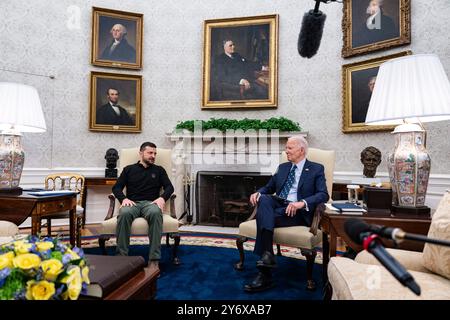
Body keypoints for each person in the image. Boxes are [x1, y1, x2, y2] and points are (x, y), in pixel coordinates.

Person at [244, 136, 329, 292]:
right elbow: (268, 188)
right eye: (286, 147)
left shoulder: (316, 168)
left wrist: (301, 203)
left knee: (264, 215)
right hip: (279, 205)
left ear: (301, 150)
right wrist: (258, 192)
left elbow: (323, 195)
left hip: (297, 211)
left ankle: (265, 273)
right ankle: (268, 255)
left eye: (289, 148)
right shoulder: (283, 167)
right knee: (264, 200)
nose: (286, 151)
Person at [112, 142, 174, 271]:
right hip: (132, 203)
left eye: (155, 153)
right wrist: (123, 199)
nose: (153, 156)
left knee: (156, 213)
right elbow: (116, 187)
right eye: (150, 153)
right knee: (123, 213)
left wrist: (162, 198)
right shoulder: (128, 169)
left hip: (151, 204)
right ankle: (121, 259)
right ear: (141, 153)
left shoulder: (159, 170)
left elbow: (169, 187)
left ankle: (154, 260)